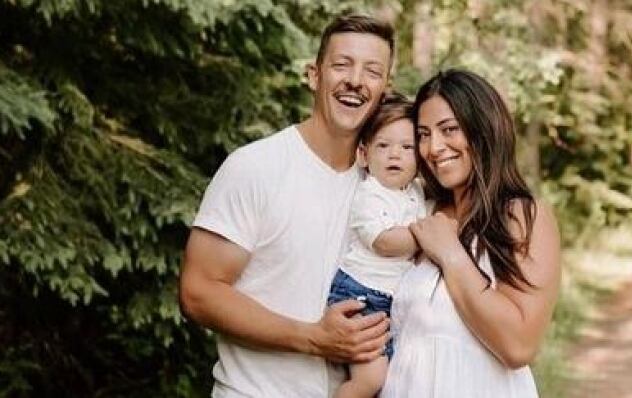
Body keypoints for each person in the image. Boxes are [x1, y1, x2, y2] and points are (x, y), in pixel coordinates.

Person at [179, 15, 396, 397]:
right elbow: (198, 293)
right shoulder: (256, 167)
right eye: (342, 65)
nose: (356, 80)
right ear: (314, 75)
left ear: (385, 89)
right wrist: (312, 338)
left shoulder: (384, 186)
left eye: (372, 71)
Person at [381, 69, 562, 397]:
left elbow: (518, 346)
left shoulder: (521, 215)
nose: (433, 147)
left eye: (449, 129)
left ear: (483, 129)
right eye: (423, 134)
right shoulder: (420, 212)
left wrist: (451, 255)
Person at [326, 93, 426, 398]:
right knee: (370, 380)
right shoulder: (369, 195)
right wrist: (430, 236)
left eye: (407, 147)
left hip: (389, 301)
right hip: (360, 297)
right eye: (383, 145)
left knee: (394, 380)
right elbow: (384, 243)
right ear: (363, 155)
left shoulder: (415, 192)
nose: (395, 154)